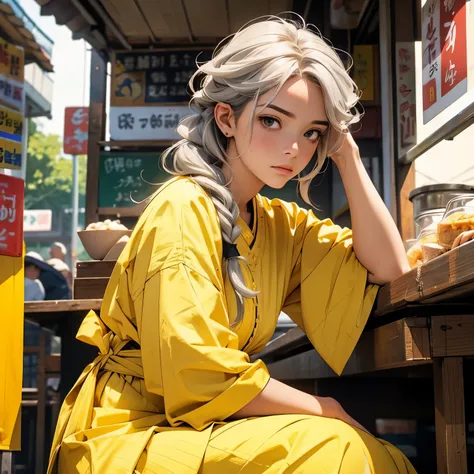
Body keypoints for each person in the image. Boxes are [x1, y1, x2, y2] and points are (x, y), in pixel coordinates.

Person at [48, 16, 417, 474]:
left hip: (201, 426)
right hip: (132, 431)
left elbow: (390, 270)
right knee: (338, 450)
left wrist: (348, 156)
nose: (294, 149)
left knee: (378, 457)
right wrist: (324, 407)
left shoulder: (278, 222)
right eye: (271, 120)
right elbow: (199, 375)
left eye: (312, 132)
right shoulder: (182, 210)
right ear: (226, 117)